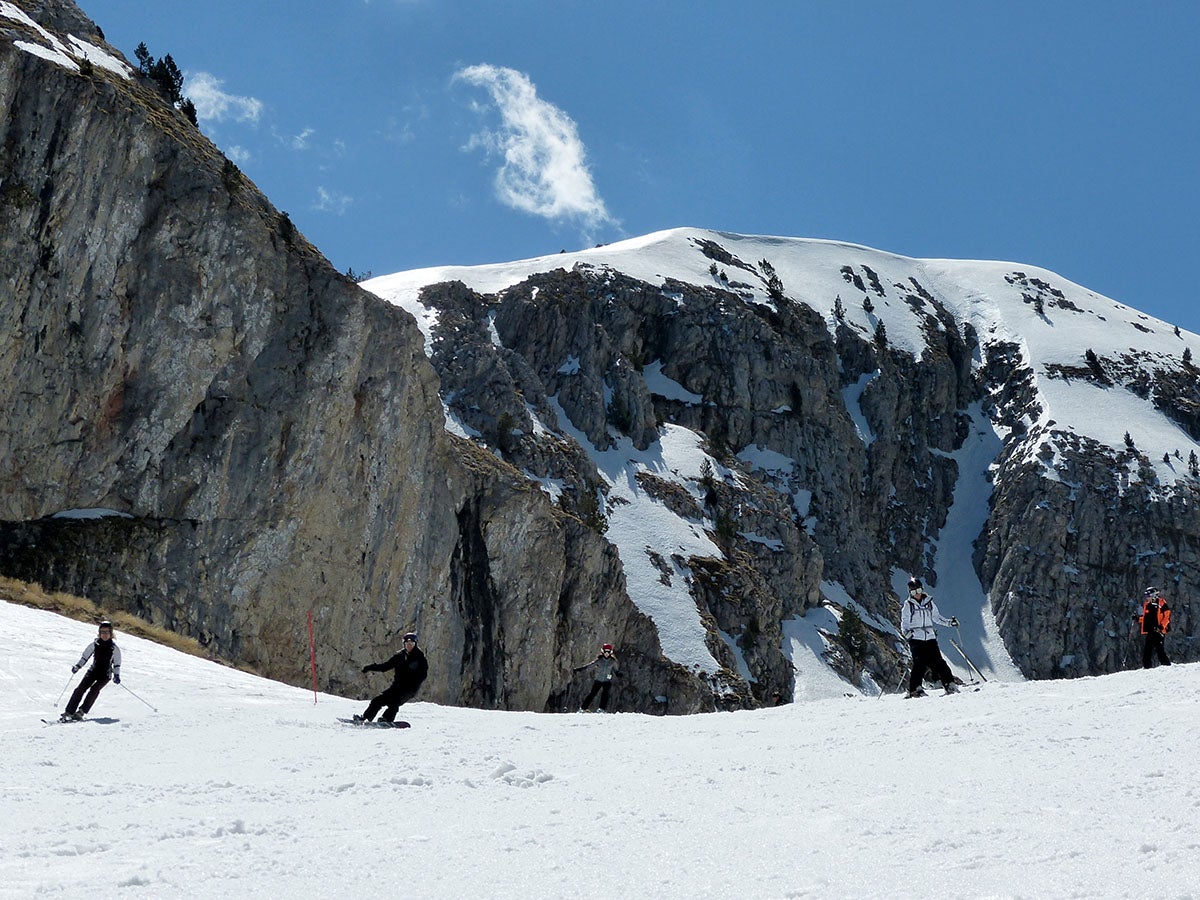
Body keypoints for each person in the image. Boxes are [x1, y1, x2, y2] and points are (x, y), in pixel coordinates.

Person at [899, 578, 960, 698]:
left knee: (939, 661)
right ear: (909, 593)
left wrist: (949, 623)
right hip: (916, 638)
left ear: (922, 589)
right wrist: (907, 634)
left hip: (930, 637)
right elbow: (904, 623)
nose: (916, 594)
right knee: (919, 663)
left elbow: (937, 618)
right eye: (913, 592)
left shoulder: (929, 603)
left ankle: (949, 684)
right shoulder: (908, 605)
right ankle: (915, 689)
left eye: (918, 590)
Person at [356, 632, 428, 723]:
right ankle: (365, 718)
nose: (409, 646)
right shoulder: (399, 656)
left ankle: (386, 719)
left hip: (409, 689)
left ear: (415, 644)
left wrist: (413, 683)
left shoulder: (420, 657)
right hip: (396, 687)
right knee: (377, 701)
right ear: (404, 644)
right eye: (407, 643)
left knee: (394, 702)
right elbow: (385, 667)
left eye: (411, 644)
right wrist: (370, 667)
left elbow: (423, 675)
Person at [62, 620, 122, 721]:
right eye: (102, 632)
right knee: (80, 689)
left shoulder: (114, 649)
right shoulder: (94, 644)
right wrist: (78, 666)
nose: (104, 635)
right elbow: (85, 657)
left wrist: (116, 675)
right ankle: (69, 712)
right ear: (99, 633)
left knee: (94, 690)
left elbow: (117, 664)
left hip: (105, 675)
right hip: (93, 671)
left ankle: (81, 712)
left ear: (111, 634)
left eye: (107, 632)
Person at [576, 643, 619, 712]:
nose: (606, 653)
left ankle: (602, 709)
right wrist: (581, 669)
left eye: (608, 652)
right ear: (602, 652)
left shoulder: (612, 661)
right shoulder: (599, 660)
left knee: (605, 695)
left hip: (607, 681)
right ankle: (583, 708)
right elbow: (590, 666)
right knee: (592, 694)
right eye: (605, 652)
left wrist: (618, 674)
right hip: (598, 680)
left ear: (611, 652)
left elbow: (615, 670)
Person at [1137, 587, 1172, 669]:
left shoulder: (1161, 603)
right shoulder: (1147, 605)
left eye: (1148, 595)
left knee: (1159, 649)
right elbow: (1147, 619)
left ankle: (1166, 666)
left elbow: (1167, 616)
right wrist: (1138, 619)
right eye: (1146, 596)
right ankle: (1147, 667)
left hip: (1158, 631)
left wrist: (1161, 626)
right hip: (1150, 631)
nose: (1147, 597)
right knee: (1147, 650)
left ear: (1154, 595)